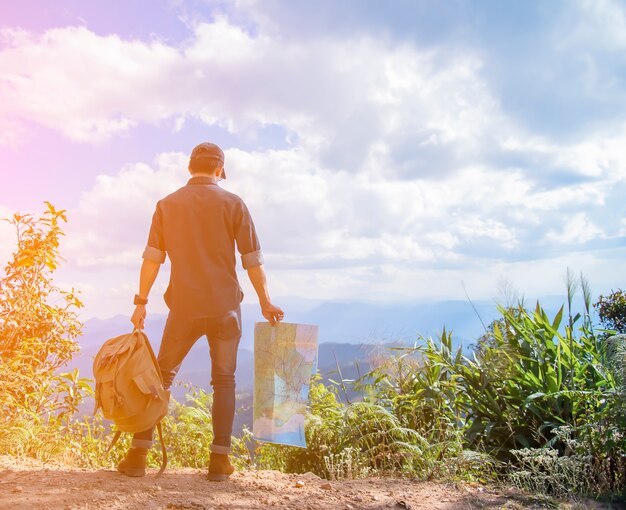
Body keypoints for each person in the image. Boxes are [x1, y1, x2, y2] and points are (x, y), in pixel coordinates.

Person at [117, 142, 284, 480]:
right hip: (225, 308)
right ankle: (219, 461)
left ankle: (138, 456)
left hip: (184, 308)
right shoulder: (234, 204)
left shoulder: (167, 205)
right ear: (219, 170)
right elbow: (252, 261)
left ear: (189, 167)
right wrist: (265, 302)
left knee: (160, 378)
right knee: (224, 382)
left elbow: (152, 257)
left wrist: (141, 302)